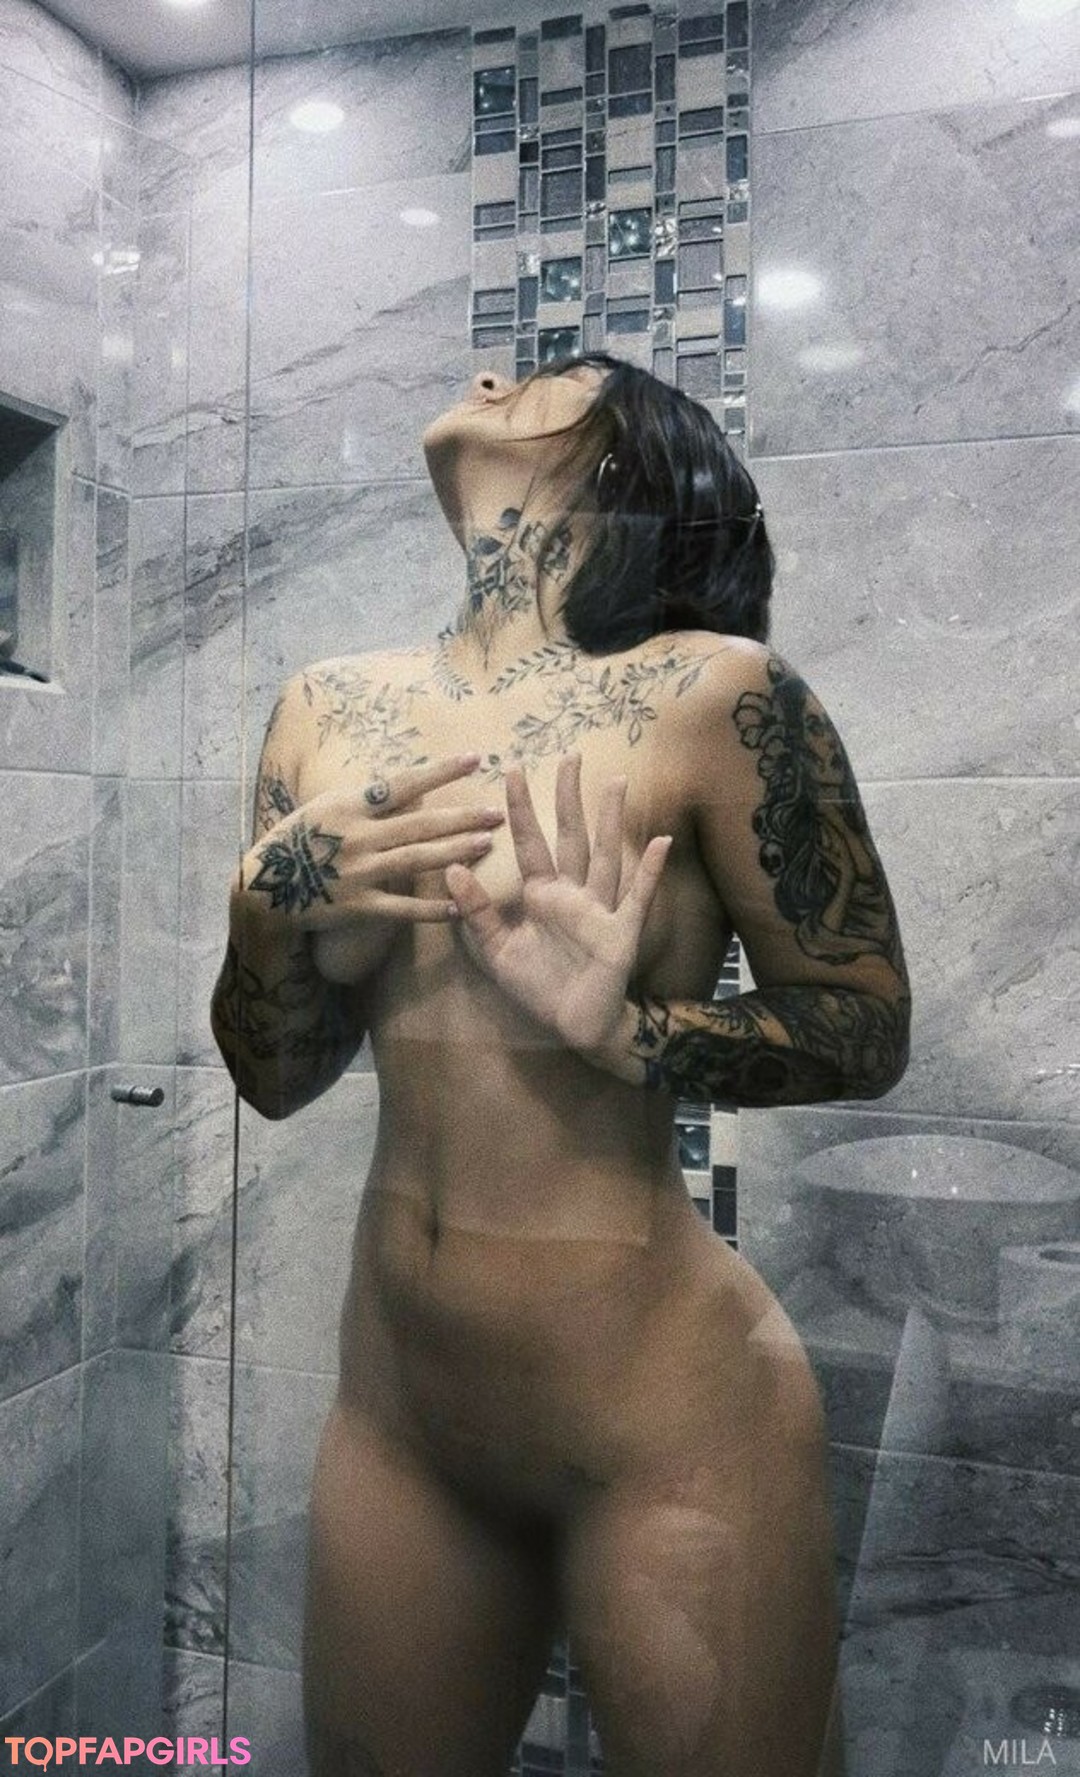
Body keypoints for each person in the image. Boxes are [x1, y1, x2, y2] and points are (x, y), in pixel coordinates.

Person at [210, 352, 910, 1777]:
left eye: (546, 377)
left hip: (668, 1422)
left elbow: (866, 1021)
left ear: (623, 459)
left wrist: (627, 1030)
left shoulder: (714, 692)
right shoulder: (323, 710)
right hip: (403, 1420)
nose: (487, 376)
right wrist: (267, 909)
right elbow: (277, 1077)